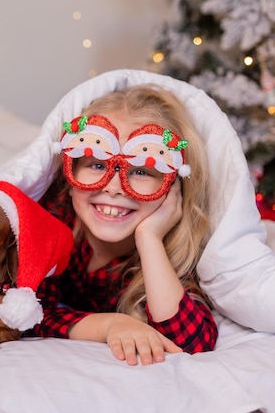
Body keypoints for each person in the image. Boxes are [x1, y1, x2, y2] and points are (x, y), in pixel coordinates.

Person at [31, 85, 218, 366]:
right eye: (95, 164)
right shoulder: (51, 220)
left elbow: (192, 342)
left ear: (173, 187)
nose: (114, 187)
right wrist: (108, 325)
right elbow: (20, 313)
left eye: (142, 171)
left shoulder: (173, 251)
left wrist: (150, 239)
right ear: (69, 175)